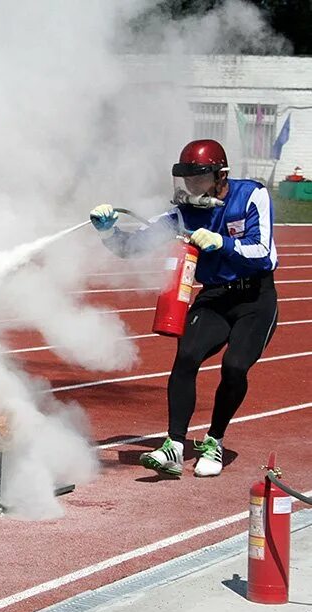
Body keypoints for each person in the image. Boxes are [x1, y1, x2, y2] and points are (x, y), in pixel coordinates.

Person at [89, 139, 278, 478]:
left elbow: (263, 251)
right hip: (215, 296)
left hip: (255, 298)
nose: (192, 187)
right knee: (187, 355)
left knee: (235, 366)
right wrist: (108, 232)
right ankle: (174, 446)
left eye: (199, 179)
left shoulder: (252, 195)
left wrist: (224, 243)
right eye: (187, 180)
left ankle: (214, 440)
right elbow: (133, 247)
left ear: (221, 175)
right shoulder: (181, 213)